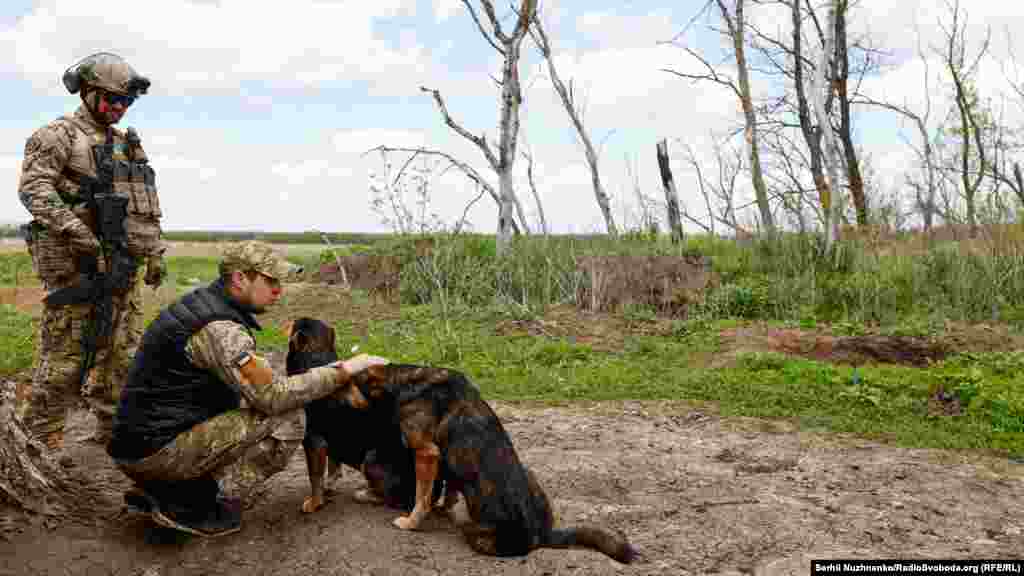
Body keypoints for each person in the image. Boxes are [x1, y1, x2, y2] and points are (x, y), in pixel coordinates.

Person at [107, 240, 389, 537]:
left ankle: (169, 485)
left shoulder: (202, 305)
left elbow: (253, 385)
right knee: (291, 417)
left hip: (144, 443)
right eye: (270, 281)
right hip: (156, 452)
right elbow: (273, 397)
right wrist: (343, 370)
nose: (279, 291)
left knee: (251, 405)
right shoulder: (221, 328)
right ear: (240, 278)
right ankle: (191, 500)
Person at [16, 52, 166, 455]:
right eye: (112, 99)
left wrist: (155, 252)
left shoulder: (125, 144)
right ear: (88, 92)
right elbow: (33, 190)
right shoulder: (57, 136)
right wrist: (77, 231)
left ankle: (111, 432)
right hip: (77, 271)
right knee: (64, 362)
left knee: (122, 358)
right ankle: (38, 444)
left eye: (126, 102)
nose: (119, 108)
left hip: (123, 268)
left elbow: (143, 202)